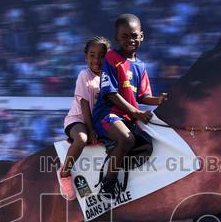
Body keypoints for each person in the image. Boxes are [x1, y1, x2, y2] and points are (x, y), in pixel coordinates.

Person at [91, 13, 168, 198]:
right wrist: (135, 111)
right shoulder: (111, 58)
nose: (130, 40)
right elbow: (110, 92)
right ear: (116, 38)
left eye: (134, 36)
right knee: (127, 139)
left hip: (128, 118)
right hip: (107, 115)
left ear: (142, 36)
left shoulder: (140, 65)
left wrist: (158, 100)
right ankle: (107, 184)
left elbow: (143, 96)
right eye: (124, 36)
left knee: (149, 143)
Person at [57, 36, 108, 200]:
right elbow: (85, 105)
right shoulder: (84, 75)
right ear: (86, 57)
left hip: (98, 121)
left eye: (102, 56)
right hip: (78, 120)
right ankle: (64, 173)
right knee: (82, 138)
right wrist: (91, 129)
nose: (97, 60)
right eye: (92, 55)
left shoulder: (108, 77)